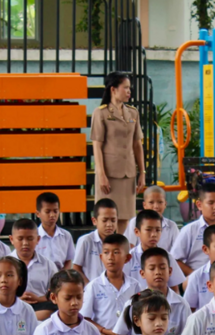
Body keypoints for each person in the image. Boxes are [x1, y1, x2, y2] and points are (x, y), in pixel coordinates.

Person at [90, 71, 145, 220]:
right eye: (125, 87)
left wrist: (142, 172)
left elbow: (137, 144)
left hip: (128, 173)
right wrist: (101, 174)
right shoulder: (101, 113)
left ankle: (123, 243)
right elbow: (97, 146)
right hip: (109, 174)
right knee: (106, 217)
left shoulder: (133, 113)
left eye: (129, 88)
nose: (129, 91)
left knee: (126, 217)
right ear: (113, 89)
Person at [112, 247, 191, 335]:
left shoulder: (182, 304)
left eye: (162, 267)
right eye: (152, 268)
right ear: (142, 273)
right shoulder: (133, 303)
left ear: (170, 271)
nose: (158, 272)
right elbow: (119, 334)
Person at [81, 233, 142, 335]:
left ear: (127, 258)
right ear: (101, 256)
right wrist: (104, 330)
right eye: (106, 252)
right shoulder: (94, 286)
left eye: (116, 252)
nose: (110, 257)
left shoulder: (135, 285)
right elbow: (85, 318)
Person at [124, 209, 185, 291]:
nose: (153, 234)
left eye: (157, 230)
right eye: (148, 230)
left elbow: (174, 288)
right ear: (137, 232)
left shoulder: (167, 256)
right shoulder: (129, 258)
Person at [8, 218, 57, 318]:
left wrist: (40, 299)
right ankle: (28, 320)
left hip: (40, 307)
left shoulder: (48, 264)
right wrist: (16, 299)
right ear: (12, 239)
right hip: (12, 305)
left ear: (38, 239)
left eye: (30, 239)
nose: (25, 243)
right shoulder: (4, 264)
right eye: (20, 239)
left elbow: (57, 290)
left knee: (57, 306)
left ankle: (27, 320)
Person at [73, 199, 119, 283]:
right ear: (94, 221)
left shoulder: (120, 242)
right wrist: (89, 287)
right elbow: (76, 267)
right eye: (104, 220)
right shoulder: (85, 241)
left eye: (113, 220)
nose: (109, 224)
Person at [124, 185, 179, 252]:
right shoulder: (135, 222)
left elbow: (177, 251)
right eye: (151, 202)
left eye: (160, 202)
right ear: (144, 205)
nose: (156, 206)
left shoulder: (172, 226)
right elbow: (129, 247)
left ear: (165, 204)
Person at [33, 191, 75, 271]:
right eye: (47, 211)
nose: (52, 215)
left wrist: (61, 276)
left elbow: (68, 260)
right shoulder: (33, 236)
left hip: (60, 276)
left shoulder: (66, 235)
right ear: (38, 213)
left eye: (55, 211)